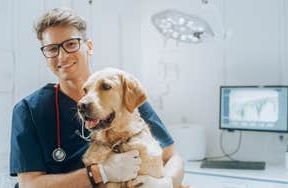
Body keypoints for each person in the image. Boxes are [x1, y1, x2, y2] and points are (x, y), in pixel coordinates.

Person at [10, 7, 185, 188]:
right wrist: (99, 173)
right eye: (52, 49)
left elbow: (172, 157)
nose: (62, 56)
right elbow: (29, 184)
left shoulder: (124, 95)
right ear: (46, 57)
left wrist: (166, 183)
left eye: (71, 44)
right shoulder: (29, 110)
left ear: (89, 47)